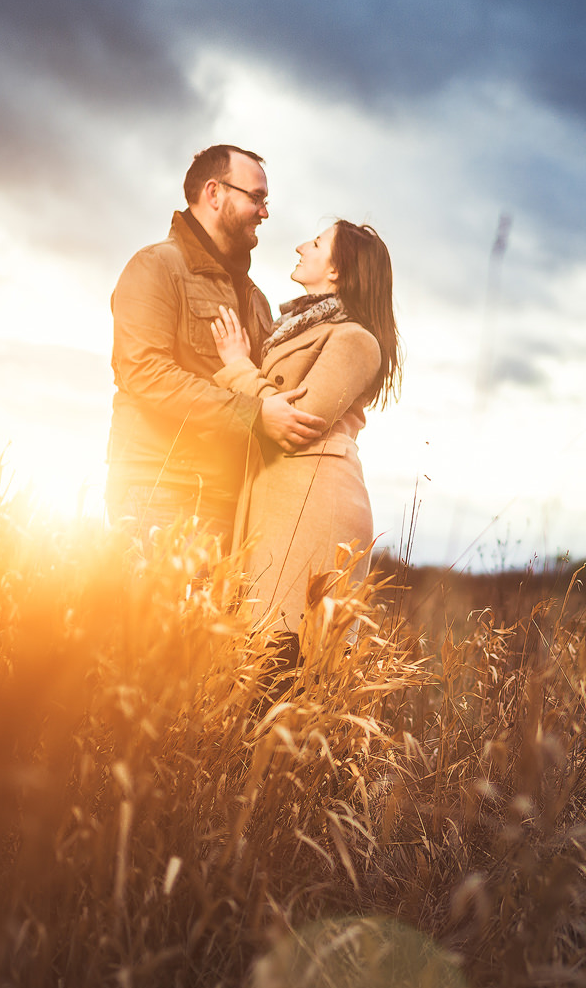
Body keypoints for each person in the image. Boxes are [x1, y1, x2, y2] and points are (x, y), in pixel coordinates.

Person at [106, 144, 327, 538]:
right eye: (256, 198)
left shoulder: (256, 300)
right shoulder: (156, 267)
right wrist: (254, 415)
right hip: (162, 491)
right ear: (214, 193)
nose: (265, 212)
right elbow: (145, 374)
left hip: (236, 502)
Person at [210, 220, 401, 634]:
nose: (301, 246)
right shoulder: (300, 329)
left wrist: (238, 366)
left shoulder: (356, 340)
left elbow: (302, 419)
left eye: (315, 243)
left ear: (337, 270)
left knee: (287, 659)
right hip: (281, 498)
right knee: (261, 654)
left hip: (315, 506)